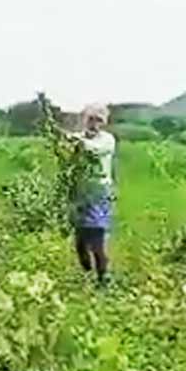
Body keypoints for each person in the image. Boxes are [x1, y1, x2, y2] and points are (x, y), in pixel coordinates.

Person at [71, 104, 117, 286]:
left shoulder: (107, 140)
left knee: (96, 234)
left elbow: (94, 150)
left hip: (98, 192)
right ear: (84, 120)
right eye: (91, 119)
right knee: (80, 240)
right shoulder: (78, 138)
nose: (94, 123)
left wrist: (75, 141)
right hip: (80, 193)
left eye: (99, 120)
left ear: (104, 122)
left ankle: (103, 278)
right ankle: (87, 274)